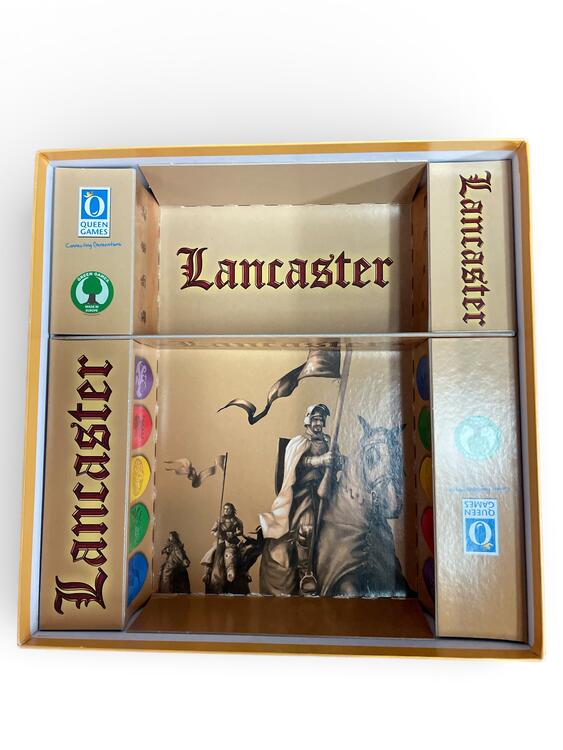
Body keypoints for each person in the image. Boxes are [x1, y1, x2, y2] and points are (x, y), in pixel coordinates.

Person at [259, 404, 342, 595]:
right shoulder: (299, 442)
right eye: (315, 419)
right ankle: (306, 572)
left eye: (321, 420)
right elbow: (297, 464)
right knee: (307, 528)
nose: (319, 423)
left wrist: (339, 460)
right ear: (308, 421)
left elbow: (336, 462)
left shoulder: (329, 441)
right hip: (305, 494)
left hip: (329, 491)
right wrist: (320, 460)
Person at [201, 502, 244, 585]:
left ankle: (245, 573)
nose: (226, 510)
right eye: (225, 509)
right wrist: (217, 534)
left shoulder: (237, 520)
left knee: (242, 553)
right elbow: (212, 530)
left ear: (232, 510)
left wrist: (235, 533)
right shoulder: (219, 520)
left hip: (233, 540)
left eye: (228, 509)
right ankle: (207, 573)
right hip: (222, 540)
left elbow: (241, 531)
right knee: (213, 552)